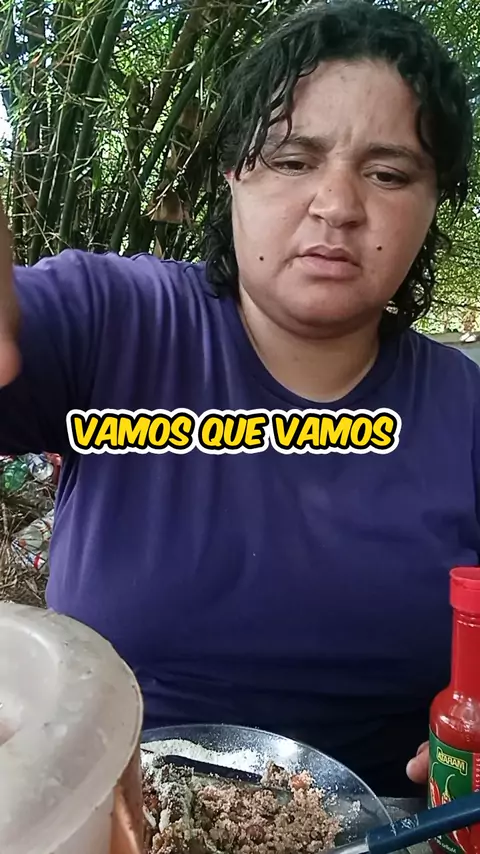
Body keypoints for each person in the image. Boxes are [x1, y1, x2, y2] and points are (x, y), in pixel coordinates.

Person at [0, 0, 476, 797]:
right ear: (233, 175)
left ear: (434, 203)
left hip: (386, 826)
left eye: (389, 173)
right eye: (292, 160)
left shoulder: (463, 411)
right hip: (112, 817)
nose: (337, 205)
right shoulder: (114, 322)